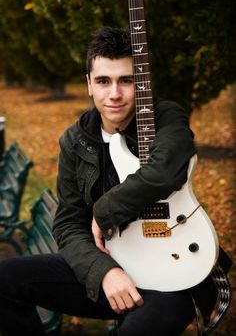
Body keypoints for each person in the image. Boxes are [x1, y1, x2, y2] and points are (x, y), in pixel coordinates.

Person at [0, 26, 231, 336]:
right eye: (103, 81)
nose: (115, 94)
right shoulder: (75, 140)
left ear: (143, 84)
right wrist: (104, 272)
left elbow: (164, 171)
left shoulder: (167, 118)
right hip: (110, 272)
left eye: (127, 80)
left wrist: (103, 211)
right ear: (89, 84)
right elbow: (68, 223)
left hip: (177, 274)